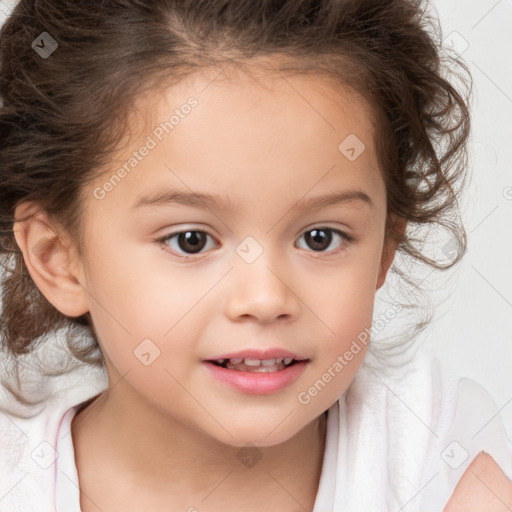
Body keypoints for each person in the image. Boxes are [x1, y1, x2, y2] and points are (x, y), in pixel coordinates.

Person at [0, 0, 510, 510]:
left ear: (383, 249)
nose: (265, 299)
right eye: (191, 240)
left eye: (320, 237)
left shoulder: (439, 460)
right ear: (57, 259)